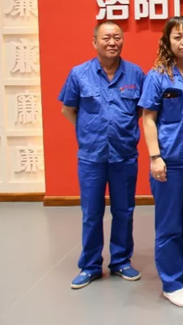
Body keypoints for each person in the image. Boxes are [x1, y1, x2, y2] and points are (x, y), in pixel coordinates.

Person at [60, 21, 145, 290]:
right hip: (91, 157)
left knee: (124, 211)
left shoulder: (135, 73)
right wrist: (89, 130)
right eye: (106, 38)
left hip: (124, 155)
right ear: (94, 42)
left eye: (117, 37)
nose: (112, 42)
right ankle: (90, 265)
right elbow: (68, 109)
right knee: (91, 213)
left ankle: (120, 261)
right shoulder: (79, 74)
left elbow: (141, 111)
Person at [138, 17, 183, 308]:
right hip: (170, 162)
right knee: (170, 225)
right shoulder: (157, 76)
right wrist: (155, 157)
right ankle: (170, 283)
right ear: (167, 42)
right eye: (178, 37)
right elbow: (148, 119)